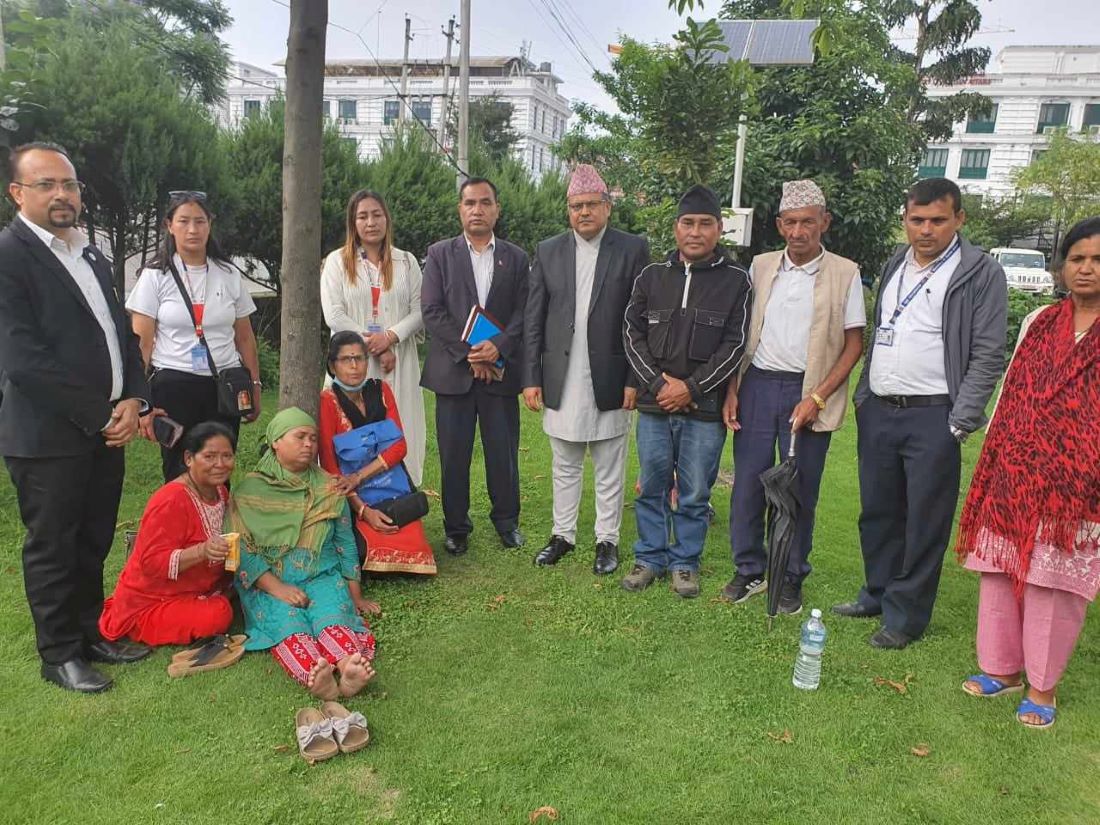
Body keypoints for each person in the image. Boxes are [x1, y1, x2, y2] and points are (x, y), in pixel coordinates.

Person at [0, 142, 152, 693]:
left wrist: (135, 398)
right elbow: (23, 361)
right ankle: (58, 653)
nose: (63, 195)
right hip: (48, 437)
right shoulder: (10, 255)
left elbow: (121, 334)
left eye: (69, 184)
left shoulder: (90, 254)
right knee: (53, 545)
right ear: (17, 193)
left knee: (93, 538)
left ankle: (91, 634)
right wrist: (100, 414)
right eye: (47, 185)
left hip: (105, 429)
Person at [834, 178, 1008, 648]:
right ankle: (876, 592)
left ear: (959, 220)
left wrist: (960, 419)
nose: (926, 229)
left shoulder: (980, 273)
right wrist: (865, 397)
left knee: (924, 520)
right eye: (917, 220)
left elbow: (989, 352)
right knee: (878, 511)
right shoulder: (897, 263)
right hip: (881, 410)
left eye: (937, 220)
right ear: (905, 219)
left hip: (935, 414)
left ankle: (906, 617)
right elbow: (883, 331)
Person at [955, 216, 1100, 729]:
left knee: (1053, 581)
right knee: (1000, 570)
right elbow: (1013, 390)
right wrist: (994, 455)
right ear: (1062, 267)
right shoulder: (1040, 320)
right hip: (1016, 467)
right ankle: (1001, 670)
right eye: (1078, 258)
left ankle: (1043, 685)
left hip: (1079, 486)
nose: (1086, 268)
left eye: (1097, 259)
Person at [722, 180, 865, 614]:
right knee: (748, 482)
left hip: (808, 389)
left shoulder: (845, 272)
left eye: (808, 222)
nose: (799, 231)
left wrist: (817, 398)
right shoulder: (762, 266)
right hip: (758, 384)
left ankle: (790, 575)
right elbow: (741, 333)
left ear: (824, 222)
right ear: (780, 224)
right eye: (791, 222)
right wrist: (732, 390)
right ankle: (749, 569)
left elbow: (854, 343)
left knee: (798, 489)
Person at [622, 184, 752, 598]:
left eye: (705, 224)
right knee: (653, 483)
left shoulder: (736, 282)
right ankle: (650, 557)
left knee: (695, 491)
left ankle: (685, 563)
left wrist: (691, 388)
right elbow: (631, 334)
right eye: (688, 223)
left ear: (718, 229)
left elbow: (736, 344)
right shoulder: (651, 277)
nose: (696, 232)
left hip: (704, 409)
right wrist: (661, 386)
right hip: (656, 406)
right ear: (676, 228)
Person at [522, 164, 651, 575]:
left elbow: (641, 319)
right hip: (560, 373)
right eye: (576, 206)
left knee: (610, 460)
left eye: (591, 205)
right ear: (568, 210)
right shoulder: (548, 250)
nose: (583, 213)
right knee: (564, 460)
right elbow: (533, 319)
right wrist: (530, 377)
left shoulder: (632, 249)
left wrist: (635, 379)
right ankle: (563, 534)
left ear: (607, 207)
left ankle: (606, 539)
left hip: (611, 373)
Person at [227, 408, 379, 700]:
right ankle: (316, 675)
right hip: (269, 581)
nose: (309, 444)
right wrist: (278, 587)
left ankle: (349, 668)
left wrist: (355, 594)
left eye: (312, 438)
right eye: (300, 437)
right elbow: (238, 547)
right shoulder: (247, 491)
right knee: (289, 623)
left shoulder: (329, 486)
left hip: (321, 574)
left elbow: (344, 543)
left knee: (332, 615)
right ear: (276, 441)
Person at [420, 177, 529, 556]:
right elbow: (432, 310)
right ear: (460, 209)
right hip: (454, 373)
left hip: (499, 373)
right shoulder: (439, 255)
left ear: (497, 208)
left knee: (503, 452)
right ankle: (456, 527)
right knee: (454, 455)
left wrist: (495, 348)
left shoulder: (516, 257)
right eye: (470, 203)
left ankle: (506, 522)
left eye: (485, 203)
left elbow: (523, 312)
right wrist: (472, 352)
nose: (477, 210)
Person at [128, 190, 261, 482]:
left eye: (200, 221)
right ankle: (183, 526)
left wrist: (254, 385)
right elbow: (142, 343)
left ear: (210, 225)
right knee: (179, 467)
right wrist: (138, 399)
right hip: (175, 386)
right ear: (169, 225)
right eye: (184, 221)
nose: (192, 229)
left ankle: (219, 526)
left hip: (223, 386)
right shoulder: (154, 276)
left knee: (220, 465)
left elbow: (245, 337)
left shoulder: (228, 273)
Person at [321, 189, 428, 485]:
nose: (371, 222)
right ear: (353, 223)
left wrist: (391, 337)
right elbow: (335, 314)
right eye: (363, 216)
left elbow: (421, 310)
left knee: (400, 427)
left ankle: (401, 494)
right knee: (349, 433)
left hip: (399, 363)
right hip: (352, 363)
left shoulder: (406, 262)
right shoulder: (337, 262)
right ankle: (352, 502)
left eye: (377, 214)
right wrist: (376, 346)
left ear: (387, 219)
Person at [99, 423, 237, 645]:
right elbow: (150, 564)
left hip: (200, 586)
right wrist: (202, 551)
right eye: (209, 456)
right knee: (218, 615)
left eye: (227, 456)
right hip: (153, 599)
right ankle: (143, 623)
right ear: (189, 458)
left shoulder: (220, 491)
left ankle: (211, 598)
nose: (220, 464)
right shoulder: (170, 500)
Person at [319, 331, 437, 575]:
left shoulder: (381, 390)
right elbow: (332, 469)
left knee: (417, 549)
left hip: (389, 487)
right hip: (354, 497)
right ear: (332, 365)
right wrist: (364, 511)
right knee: (365, 551)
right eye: (346, 359)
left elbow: (400, 446)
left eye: (360, 358)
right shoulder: (326, 402)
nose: (354, 366)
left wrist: (359, 475)